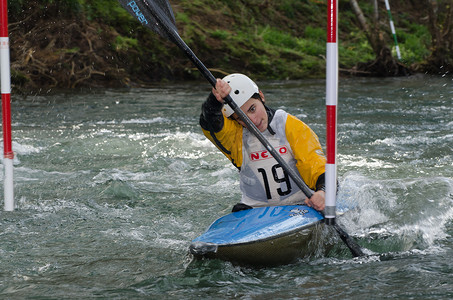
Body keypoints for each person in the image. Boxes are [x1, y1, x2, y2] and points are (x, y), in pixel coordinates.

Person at [199, 73, 326, 212]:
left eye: (252, 109)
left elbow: (317, 166)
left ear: (261, 96)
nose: (252, 121)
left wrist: (323, 192)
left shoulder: (291, 126)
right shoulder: (235, 136)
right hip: (254, 210)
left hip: (302, 203)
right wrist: (214, 101)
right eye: (241, 118)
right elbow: (210, 123)